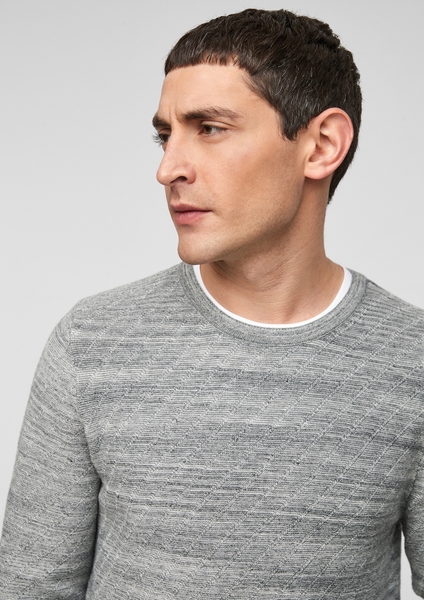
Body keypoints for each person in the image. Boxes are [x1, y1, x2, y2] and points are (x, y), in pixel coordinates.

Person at [0, 7, 423, 599]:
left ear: (322, 145)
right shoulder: (91, 342)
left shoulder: (412, 361)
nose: (168, 168)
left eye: (210, 128)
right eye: (165, 135)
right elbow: (29, 588)